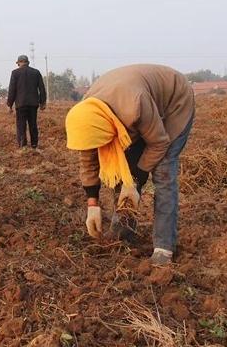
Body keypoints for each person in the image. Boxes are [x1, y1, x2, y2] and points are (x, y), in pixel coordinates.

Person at [65, 64, 194, 265]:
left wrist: (134, 182)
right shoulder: (88, 116)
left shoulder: (134, 105)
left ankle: (164, 246)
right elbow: (88, 160)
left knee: (163, 171)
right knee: (121, 166)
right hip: (135, 111)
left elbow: (159, 143)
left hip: (173, 103)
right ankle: (125, 229)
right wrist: (92, 204)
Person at [7, 55, 47, 150]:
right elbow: (42, 88)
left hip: (20, 104)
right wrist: (42, 102)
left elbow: (12, 89)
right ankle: (34, 144)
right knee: (33, 124)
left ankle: (23, 145)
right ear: (27, 62)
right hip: (33, 104)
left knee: (21, 125)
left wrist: (9, 104)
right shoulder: (36, 72)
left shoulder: (15, 73)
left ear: (20, 62)